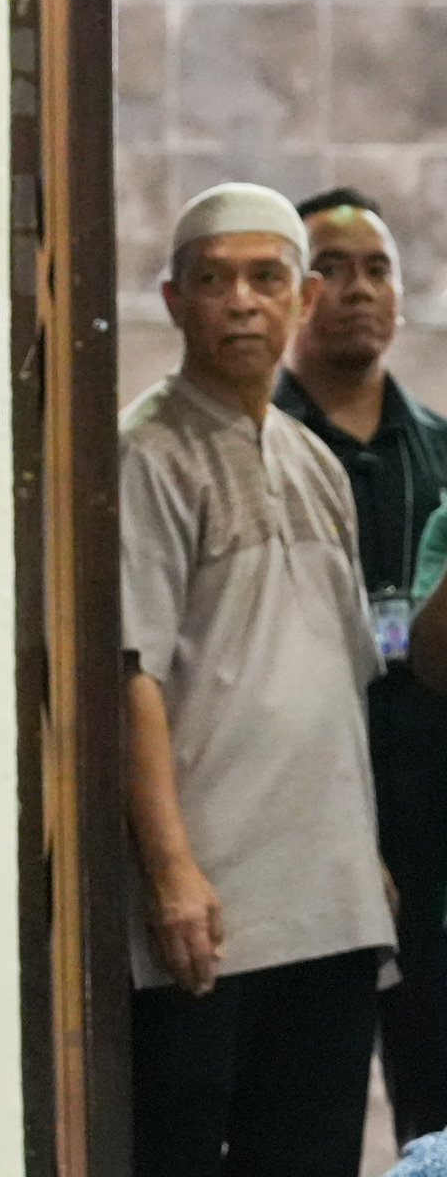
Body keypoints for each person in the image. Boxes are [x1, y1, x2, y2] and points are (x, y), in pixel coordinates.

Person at [120, 182, 395, 1177]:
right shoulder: (142, 456)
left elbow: (340, 682)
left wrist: (363, 856)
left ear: (299, 299)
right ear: (174, 297)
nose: (241, 300)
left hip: (331, 906)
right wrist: (170, 870)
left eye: (265, 278)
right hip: (209, 916)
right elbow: (129, 677)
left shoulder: (319, 463)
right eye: (215, 280)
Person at [274, 185, 447, 1145]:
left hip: (429, 827)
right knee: (310, 1116)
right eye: (328, 267)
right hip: (301, 835)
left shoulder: (442, 455)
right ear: (297, 295)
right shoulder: (259, 447)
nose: (356, 289)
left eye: (376, 268)